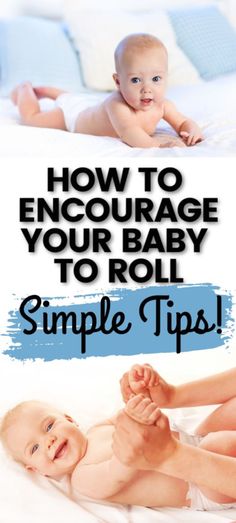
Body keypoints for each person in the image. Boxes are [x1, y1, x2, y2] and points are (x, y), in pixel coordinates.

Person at [1, 365, 236, 511]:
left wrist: (139, 398)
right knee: (220, 444)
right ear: (37, 470)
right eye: (34, 448)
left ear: (70, 420)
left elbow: (127, 416)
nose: (48, 441)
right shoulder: (83, 478)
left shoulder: (97, 429)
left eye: (49, 425)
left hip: (194, 440)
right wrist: (132, 446)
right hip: (201, 486)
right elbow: (119, 470)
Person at [11, 34, 203, 149]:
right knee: (32, 118)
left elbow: (183, 122)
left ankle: (53, 93)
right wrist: (159, 146)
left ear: (166, 77)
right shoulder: (117, 104)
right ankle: (24, 89)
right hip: (74, 117)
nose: (147, 89)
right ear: (118, 82)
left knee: (69, 97)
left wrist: (192, 131)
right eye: (136, 80)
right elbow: (130, 133)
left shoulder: (163, 105)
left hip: (88, 105)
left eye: (156, 79)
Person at [114, 364, 236, 504]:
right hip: (202, 442)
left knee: (218, 446)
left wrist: (169, 456)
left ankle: (179, 456)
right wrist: (171, 395)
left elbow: (113, 478)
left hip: (212, 480)